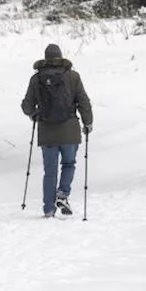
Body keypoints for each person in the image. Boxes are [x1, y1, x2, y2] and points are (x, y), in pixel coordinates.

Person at [21, 43, 93, 217]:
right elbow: (83, 101)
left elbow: (27, 105)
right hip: (70, 129)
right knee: (68, 164)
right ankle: (62, 194)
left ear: (45, 58)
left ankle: (48, 208)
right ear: (60, 57)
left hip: (47, 131)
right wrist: (88, 122)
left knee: (50, 171)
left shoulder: (36, 79)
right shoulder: (73, 77)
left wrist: (34, 114)